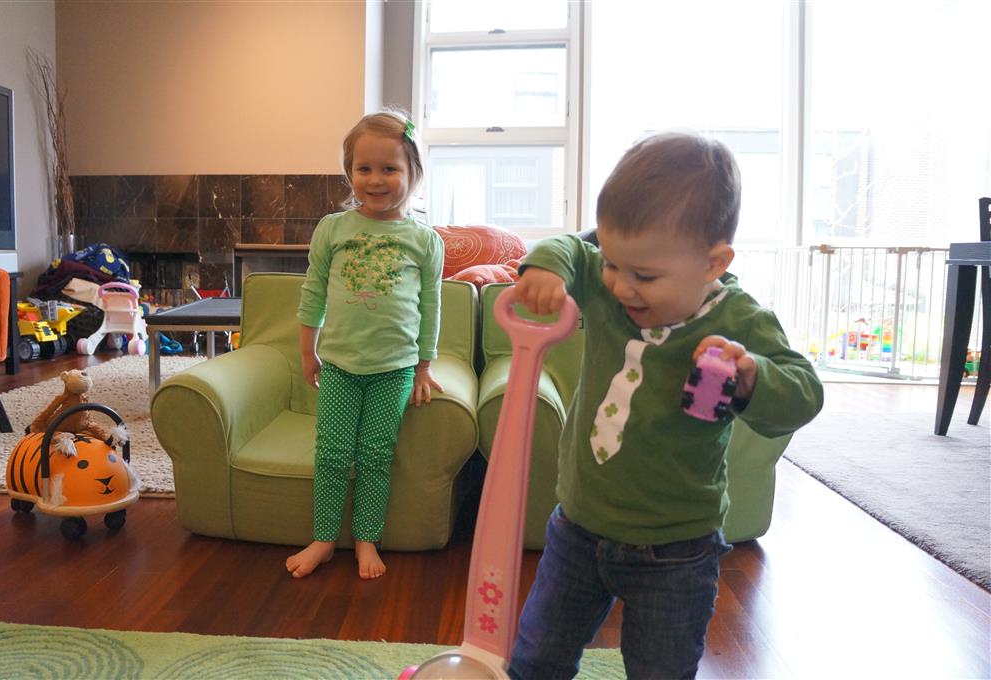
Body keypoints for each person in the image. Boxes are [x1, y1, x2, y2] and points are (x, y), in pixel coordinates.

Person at [509, 131, 824, 678]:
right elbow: (571, 248)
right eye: (613, 264)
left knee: (661, 669)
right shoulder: (607, 286)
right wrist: (545, 268)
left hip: (677, 550)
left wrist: (751, 374)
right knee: (537, 658)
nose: (620, 287)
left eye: (645, 276)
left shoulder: (740, 319)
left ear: (713, 263)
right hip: (579, 526)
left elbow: (804, 392)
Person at [286, 110, 444, 581]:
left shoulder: (424, 240)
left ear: (413, 173)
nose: (376, 180)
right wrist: (307, 351)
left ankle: (366, 538)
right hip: (339, 365)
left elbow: (431, 308)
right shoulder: (333, 229)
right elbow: (313, 293)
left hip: (394, 369)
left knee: (375, 455)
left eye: (389, 169)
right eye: (364, 169)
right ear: (349, 172)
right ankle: (323, 539)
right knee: (332, 454)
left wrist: (423, 366)